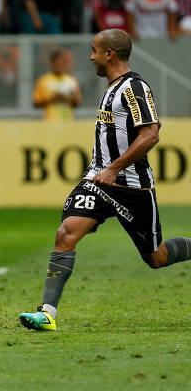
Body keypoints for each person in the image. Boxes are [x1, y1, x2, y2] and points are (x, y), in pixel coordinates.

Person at [19, 29, 191, 331]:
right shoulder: (112, 88)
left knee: (157, 258)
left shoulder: (133, 87)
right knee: (66, 234)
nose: (91, 57)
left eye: (94, 51)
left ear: (109, 54)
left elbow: (151, 134)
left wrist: (114, 168)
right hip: (97, 182)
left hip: (132, 187)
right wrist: (104, 171)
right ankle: (47, 313)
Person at [32, 48, 81, 121]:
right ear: (52, 63)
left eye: (62, 63)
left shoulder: (71, 81)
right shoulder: (44, 80)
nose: (60, 66)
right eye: (57, 63)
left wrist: (67, 97)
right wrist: (52, 98)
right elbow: (36, 103)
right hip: (50, 121)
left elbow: (77, 103)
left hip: (68, 121)